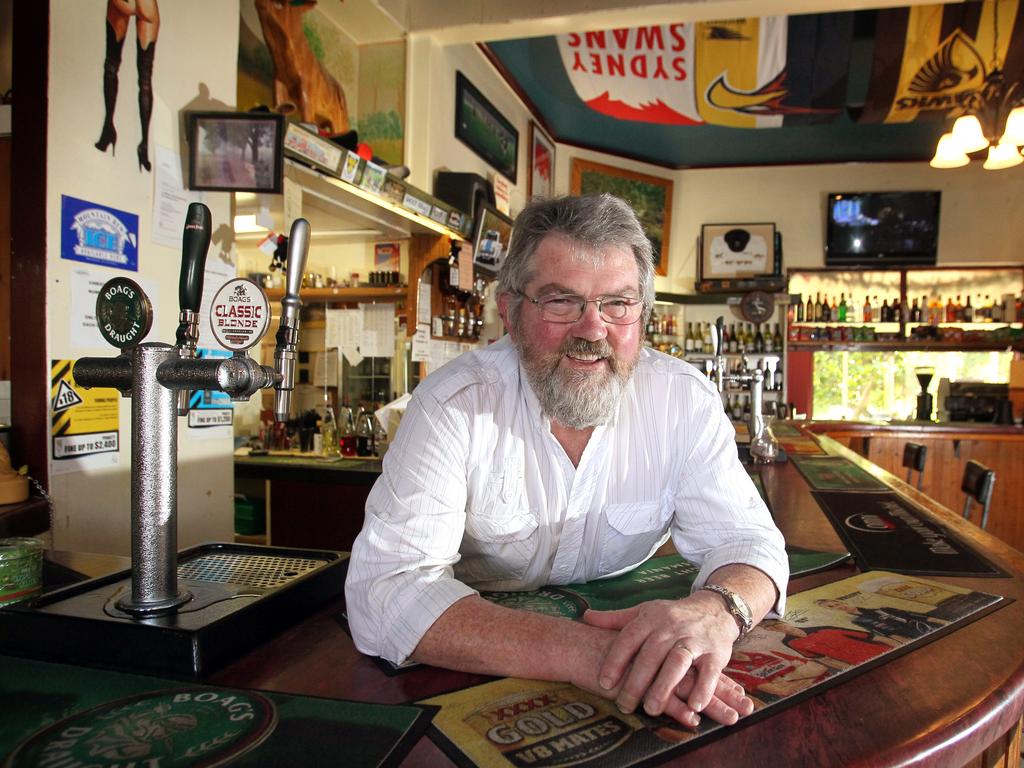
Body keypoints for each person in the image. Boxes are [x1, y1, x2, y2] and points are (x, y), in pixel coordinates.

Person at [345, 194, 789, 730]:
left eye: (618, 304)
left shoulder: (683, 400)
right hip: (472, 670)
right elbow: (387, 590)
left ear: (642, 315)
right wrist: (600, 656)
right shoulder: (452, 405)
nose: (593, 330)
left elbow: (750, 541)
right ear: (510, 312)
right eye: (562, 302)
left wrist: (716, 610)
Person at [95, 0, 160, 172]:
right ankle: (144, 144)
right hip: (145, 5)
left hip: (122, 2)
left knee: (111, 66)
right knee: (145, 81)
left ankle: (108, 128)